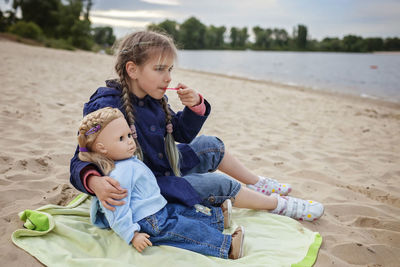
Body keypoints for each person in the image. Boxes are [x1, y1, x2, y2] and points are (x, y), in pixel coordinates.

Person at [70, 30, 324, 222]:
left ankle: (258, 182)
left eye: (169, 69)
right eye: (159, 69)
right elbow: (80, 158)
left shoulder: (155, 98)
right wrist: (95, 183)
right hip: (149, 186)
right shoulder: (106, 105)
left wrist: (195, 107)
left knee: (211, 146)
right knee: (217, 184)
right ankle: (276, 204)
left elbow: (179, 132)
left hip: (167, 165)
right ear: (132, 70)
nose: (168, 77)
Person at [78, 107, 245, 259]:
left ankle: (217, 220)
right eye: (121, 138)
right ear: (102, 148)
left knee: (183, 211)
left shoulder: (127, 161)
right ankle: (227, 246)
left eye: (129, 135)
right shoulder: (119, 174)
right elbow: (116, 211)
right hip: (147, 221)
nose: (130, 141)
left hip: (155, 209)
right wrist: (132, 234)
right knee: (184, 230)